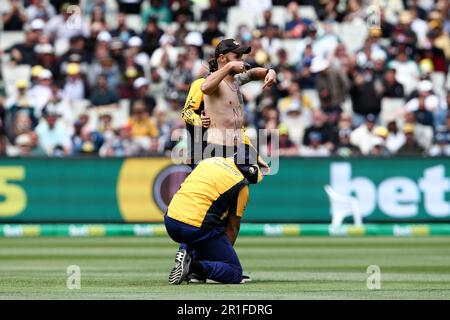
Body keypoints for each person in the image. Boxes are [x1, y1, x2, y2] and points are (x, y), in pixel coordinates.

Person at [164, 145, 263, 285]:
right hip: (195, 228)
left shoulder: (211, 161)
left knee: (197, 218)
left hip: (170, 220)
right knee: (234, 272)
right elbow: (232, 227)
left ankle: (187, 259)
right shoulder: (242, 186)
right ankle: (192, 267)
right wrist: (219, 260)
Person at [199, 38, 277, 170]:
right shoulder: (214, 80)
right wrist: (230, 66)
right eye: (237, 57)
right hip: (217, 150)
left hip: (236, 150)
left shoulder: (235, 81)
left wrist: (270, 71)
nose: (242, 61)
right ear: (222, 58)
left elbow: (252, 74)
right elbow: (205, 87)